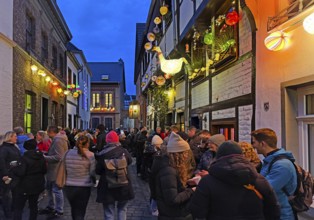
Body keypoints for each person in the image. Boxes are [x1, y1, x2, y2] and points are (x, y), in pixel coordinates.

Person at [189, 141, 280, 220]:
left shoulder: (207, 182)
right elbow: (273, 208)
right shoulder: (258, 179)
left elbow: (198, 212)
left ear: (219, 156)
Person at [251, 128, 297, 220]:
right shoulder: (269, 161)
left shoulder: (282, 165)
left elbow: (266, 189)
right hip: (272, 213)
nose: (253, 146)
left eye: (254, 142)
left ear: (262, 143)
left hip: (282, 215)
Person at [150, 132, 195, 220]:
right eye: (185, 153)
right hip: (173, 214)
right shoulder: (168, 170)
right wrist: (191, 190)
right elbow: (172, 199)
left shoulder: (170, 166)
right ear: (178, 154)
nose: (187, 156)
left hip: (172, 213)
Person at [95, 130, 134, 220]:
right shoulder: (124, 151)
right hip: (124, 183)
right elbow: (130, 161)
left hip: (107, 186)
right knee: (122, 209)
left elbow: (98, 170)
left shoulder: (102, 154)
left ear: (107, 141)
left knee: (109, 211)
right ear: (117, 140)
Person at [12, 139, 47, 220]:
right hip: (37, 184)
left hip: (25, 185)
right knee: (33, 206)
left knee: (19, 207)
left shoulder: (24, 158)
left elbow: (21, 172)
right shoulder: (41, 157)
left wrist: (14, 169)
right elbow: (44, 170)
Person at [64, 135, 96, 220]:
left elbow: (65, 169)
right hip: (84, 186)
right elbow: (92, 172)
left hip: (69, 185)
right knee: (81, 210)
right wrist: (94, 181)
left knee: (74, 209)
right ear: (87, 144)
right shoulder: (90, 155)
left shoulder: (68, 153)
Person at [40, 126, 69, 217]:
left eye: (47, 132)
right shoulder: (58, 139)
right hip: (54, 169)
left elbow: (59, 156)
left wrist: (44, 157)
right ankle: (51, 207)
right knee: (50, 189)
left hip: (56, 169)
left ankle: (59, 210)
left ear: (50, 132)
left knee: (57, 190)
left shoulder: (58, 140)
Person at [0, 131, 20, 218]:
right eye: (15, 136)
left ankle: (13, 211)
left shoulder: (14, 147)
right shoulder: (4, 148)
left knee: (15, 194)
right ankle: (7, 214)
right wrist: (5, 174)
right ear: (10, 137)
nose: (17, 138)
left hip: (15, 175)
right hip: (7, 176)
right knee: (6, 196)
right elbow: (1, 162)